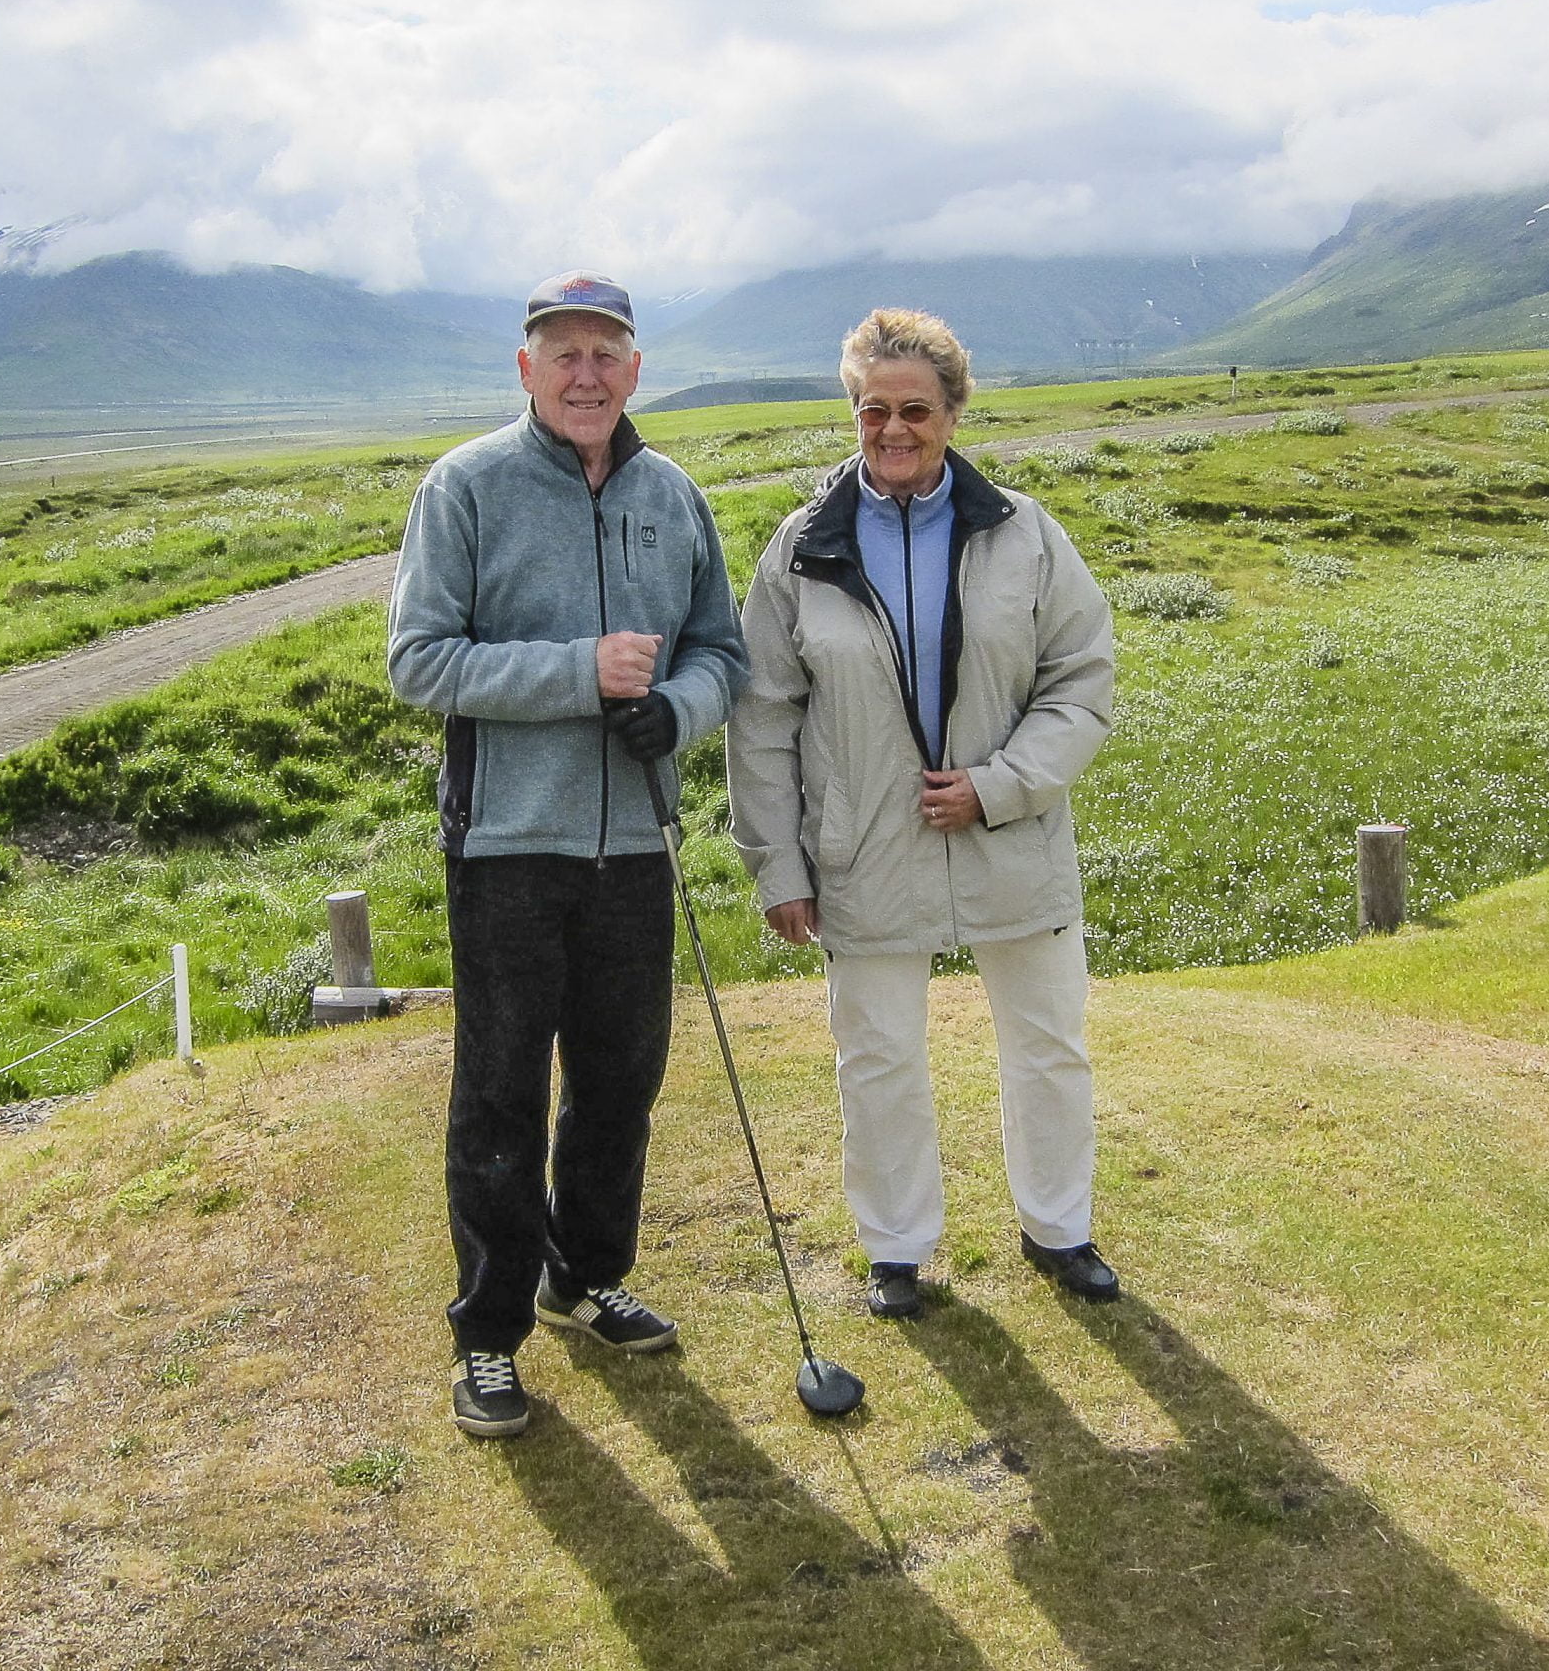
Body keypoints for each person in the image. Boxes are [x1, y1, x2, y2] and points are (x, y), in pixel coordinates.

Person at [389, 271, 749, 1439]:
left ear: (636, 369)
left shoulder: (673, 496)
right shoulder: (466, 488)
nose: (585, 372)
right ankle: (487, 1338)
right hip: (506, 847)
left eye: (606, 352)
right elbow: (420, 663)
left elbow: (720, 652)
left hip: (636, 843)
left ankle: (582, 1279)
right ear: (526, 367)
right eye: (563, 352)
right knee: (497, 1096)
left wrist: (680, 711)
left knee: (618, 1086)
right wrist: (577, 675)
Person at [726, 307, 1118, 1322]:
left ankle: (1059, 1229)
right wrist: (779, 865)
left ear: (951, 414)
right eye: (872, 410)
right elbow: (761, 717)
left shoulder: (1026, 535)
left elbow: (1080, 683)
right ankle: (895, 1250)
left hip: (1013, 842)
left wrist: (998, 784)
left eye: (915, 410)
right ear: (850, 413)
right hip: (861, 854)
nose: (892, 431)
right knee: (878, 1057)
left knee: (1047, 1045)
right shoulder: (800, 551)